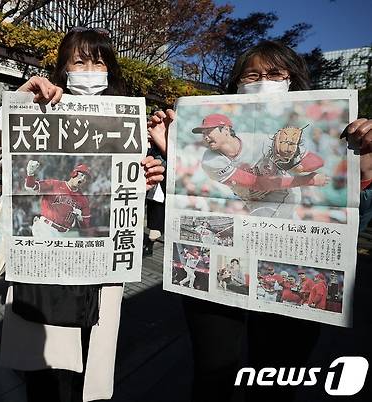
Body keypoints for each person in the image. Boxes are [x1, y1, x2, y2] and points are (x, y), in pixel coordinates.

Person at [148, 40, 372, 402]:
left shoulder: (275, 134)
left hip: (290, 251)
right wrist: (170, 155)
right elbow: (253, 183)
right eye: (251, 74)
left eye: (274, 73)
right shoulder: (208, 159)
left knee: (275, 377)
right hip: (233, 245)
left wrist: (355, 149)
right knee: (213, 371)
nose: (262, 80)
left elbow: (316, 164)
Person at [0, 27, 165, 402]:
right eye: (79, 61)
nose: (90, 70)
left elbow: (120, 199)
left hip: (95, 266)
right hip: (43, 253)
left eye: (99, 62)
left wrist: (146, 180)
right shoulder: (39, 111)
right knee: (43, 367)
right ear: (63, 68)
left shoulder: (126, 122)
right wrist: (17, 106)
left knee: (84, 361)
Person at [194, 114, 328, 218]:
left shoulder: (262, 141)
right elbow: (256, 183)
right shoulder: (210, 161)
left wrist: (298, 166)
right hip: (256, 201)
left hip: (285, 194)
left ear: (226, 130)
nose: (205, 136)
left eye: (209, 131)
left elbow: (316, 160)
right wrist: (306, 180)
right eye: (203, 133)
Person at [25, 161, 92, 237]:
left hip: (64, 234)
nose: (83, 179)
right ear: (74, 174)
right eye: (82, 175)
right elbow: (31, 187)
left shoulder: (83, 199)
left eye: (85, 178)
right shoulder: (54, 184)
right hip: (46, 228)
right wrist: (30, 174)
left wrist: (80, 219)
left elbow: (86, 226)